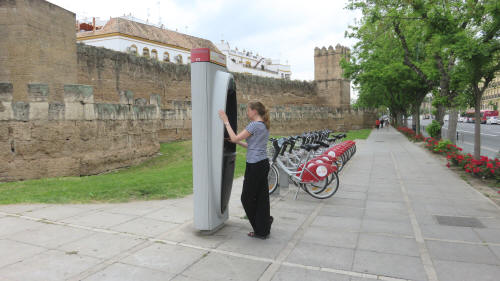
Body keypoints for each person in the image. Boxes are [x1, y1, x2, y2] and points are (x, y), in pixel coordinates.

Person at [218, 101, 273, 239]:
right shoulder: (264, 125)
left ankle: (260, 228)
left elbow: (235, 137)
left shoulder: (254, 125)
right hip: (262, 163)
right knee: (261, 198)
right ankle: (264, 226)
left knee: (246, 199)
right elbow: (251, 146)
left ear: (254, 111)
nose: (247, 113)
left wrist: (226, 121)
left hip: (254, 166)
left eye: (248, 110)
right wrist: (235, 141)